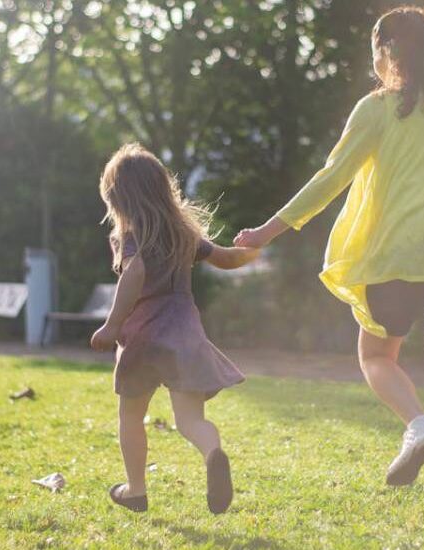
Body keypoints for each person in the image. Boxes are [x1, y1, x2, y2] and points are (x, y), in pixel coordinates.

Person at [235, 4, 424, 515]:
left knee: (376, 357)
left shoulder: (376, 108)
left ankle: (418, 427)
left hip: (397, 254)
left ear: (386, 54)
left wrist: (267, 230)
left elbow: (330, 179)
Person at [92, 143, 259, 514]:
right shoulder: (184, 235)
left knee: (131, 416)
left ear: (117, 197)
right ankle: (213, 453)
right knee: (191, 421)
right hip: (184, 336)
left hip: (142, 338)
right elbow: (227, 259)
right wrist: (253, 249)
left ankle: (136, 490)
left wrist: (112, 323)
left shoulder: (131, 235)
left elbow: (135, 274)